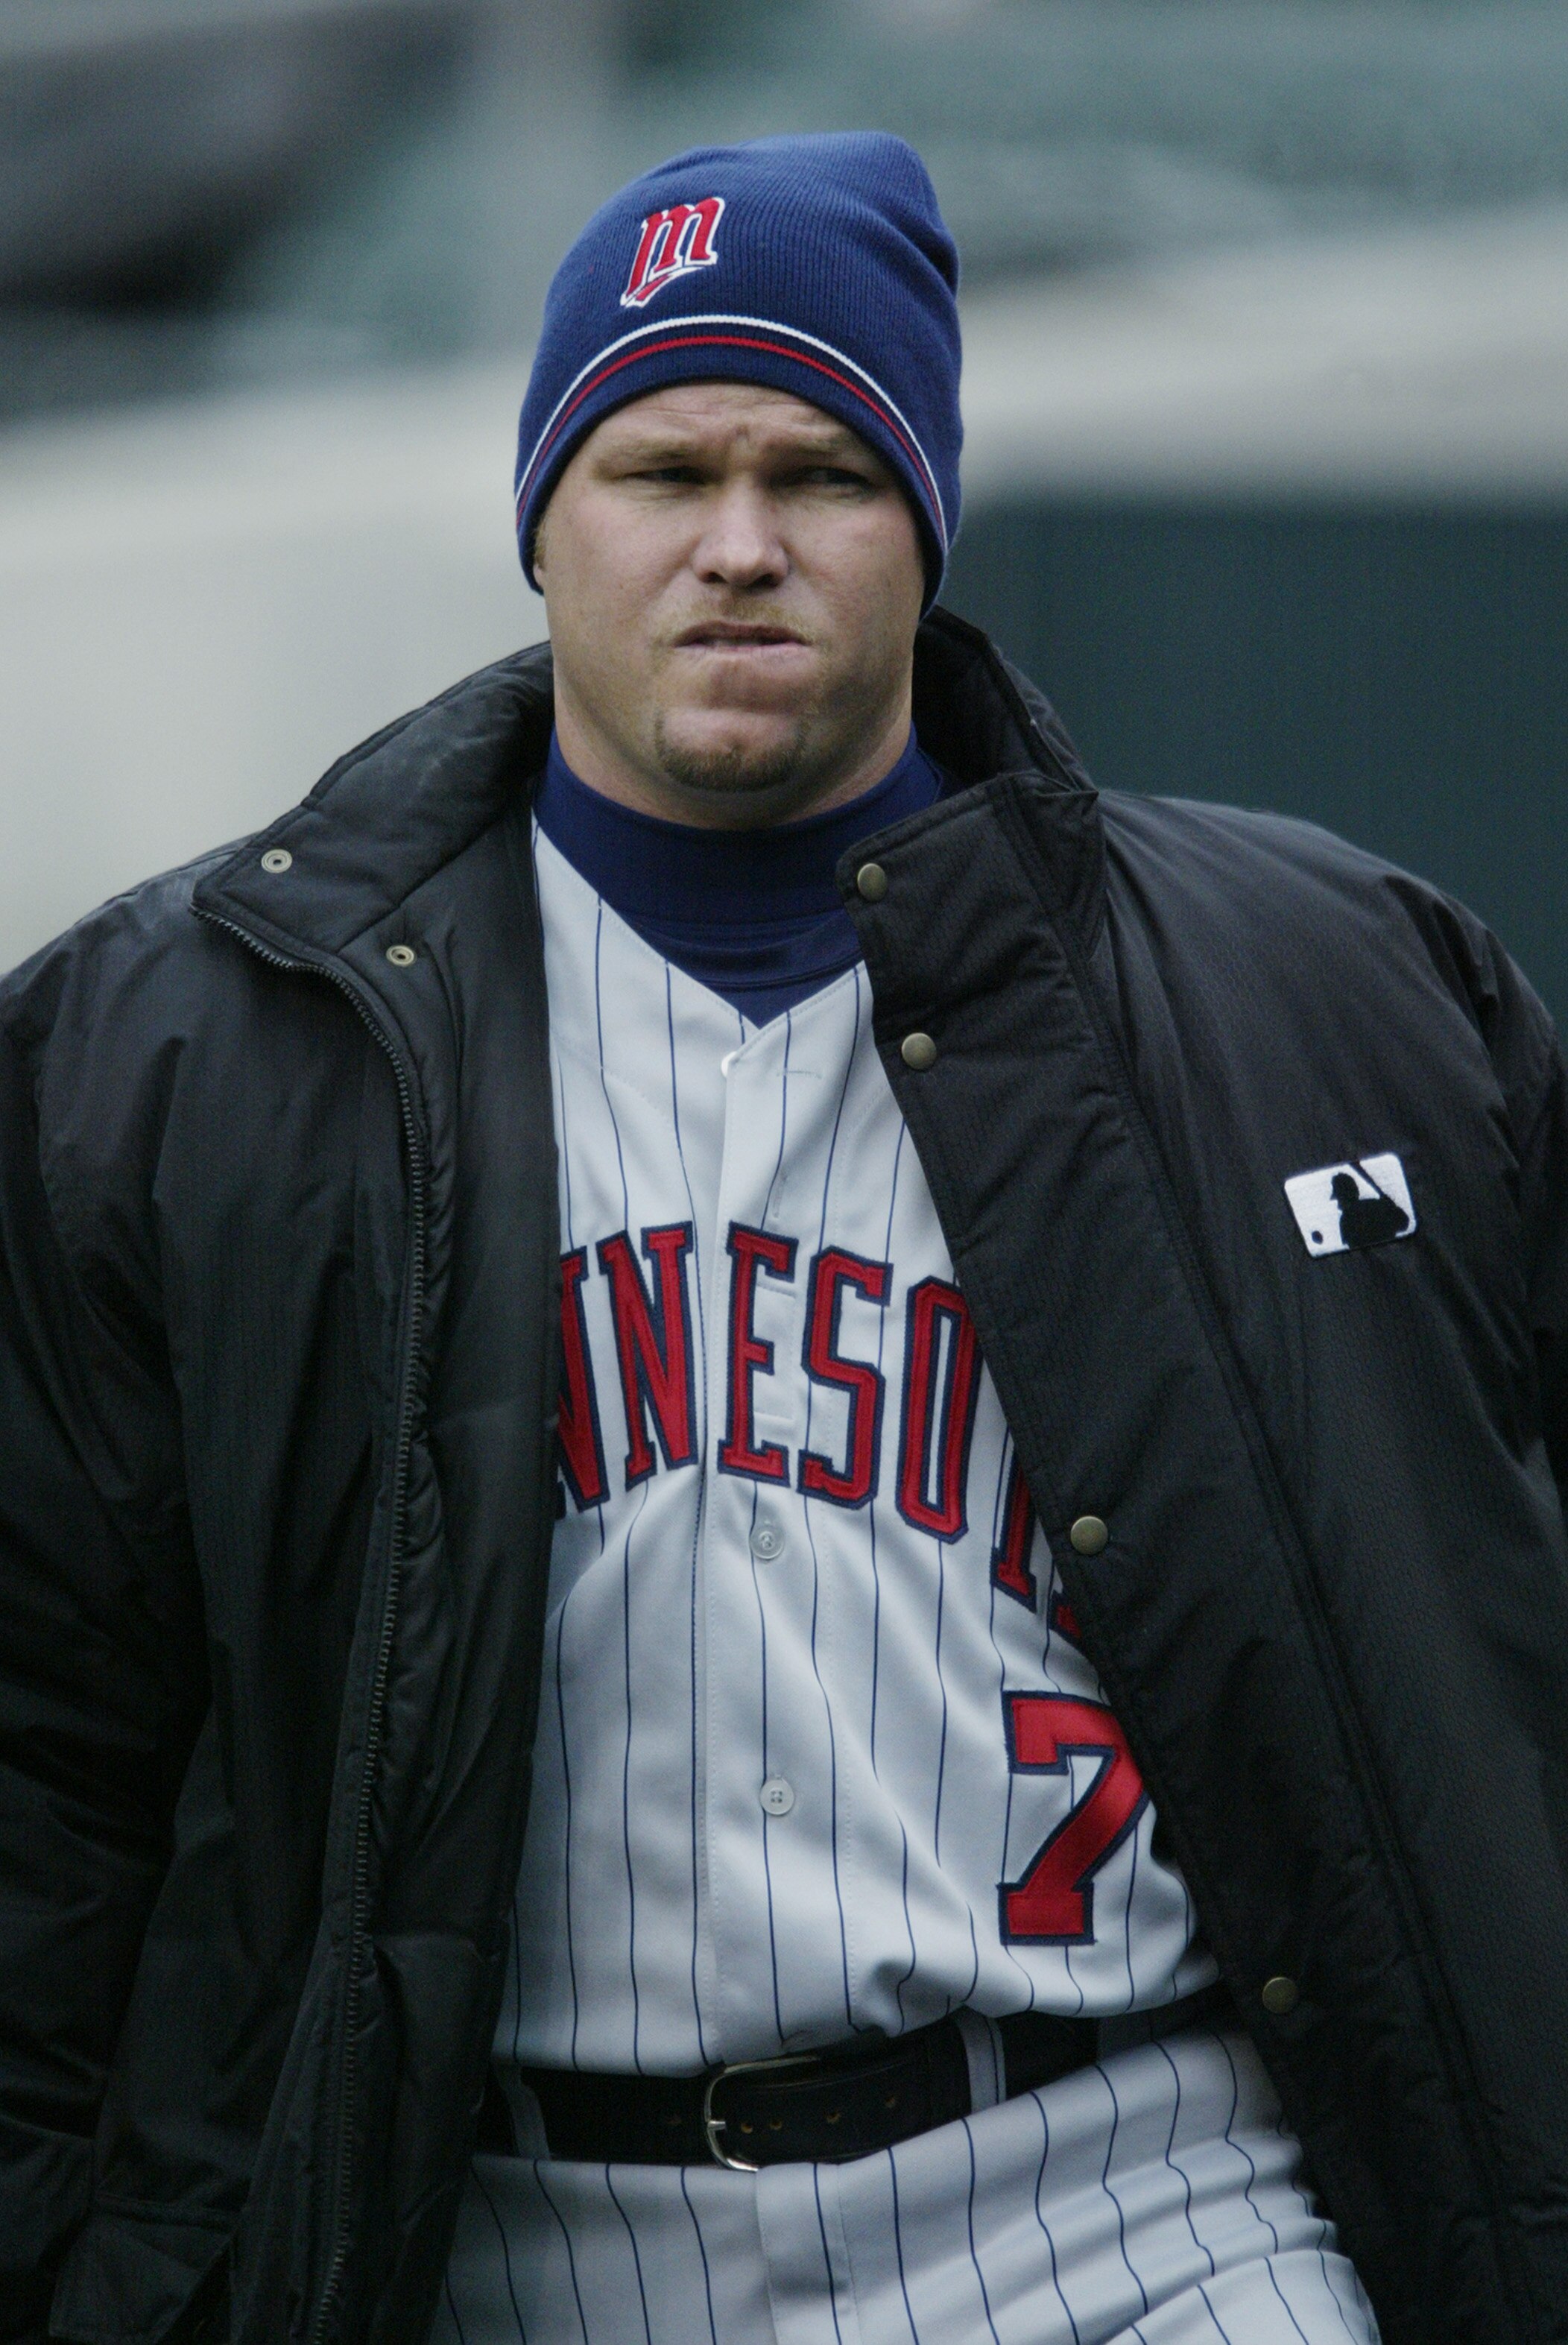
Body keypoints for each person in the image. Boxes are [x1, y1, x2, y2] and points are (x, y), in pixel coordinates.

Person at [1, 132, 1566, 2345]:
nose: (739, 545)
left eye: (823, 470)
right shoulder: (178, 1052)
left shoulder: (1335, 988)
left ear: (928, 513)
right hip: (493, 2239)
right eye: (663, 467)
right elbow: (47, 1762)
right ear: (542, 512)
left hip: (1130, 2194)